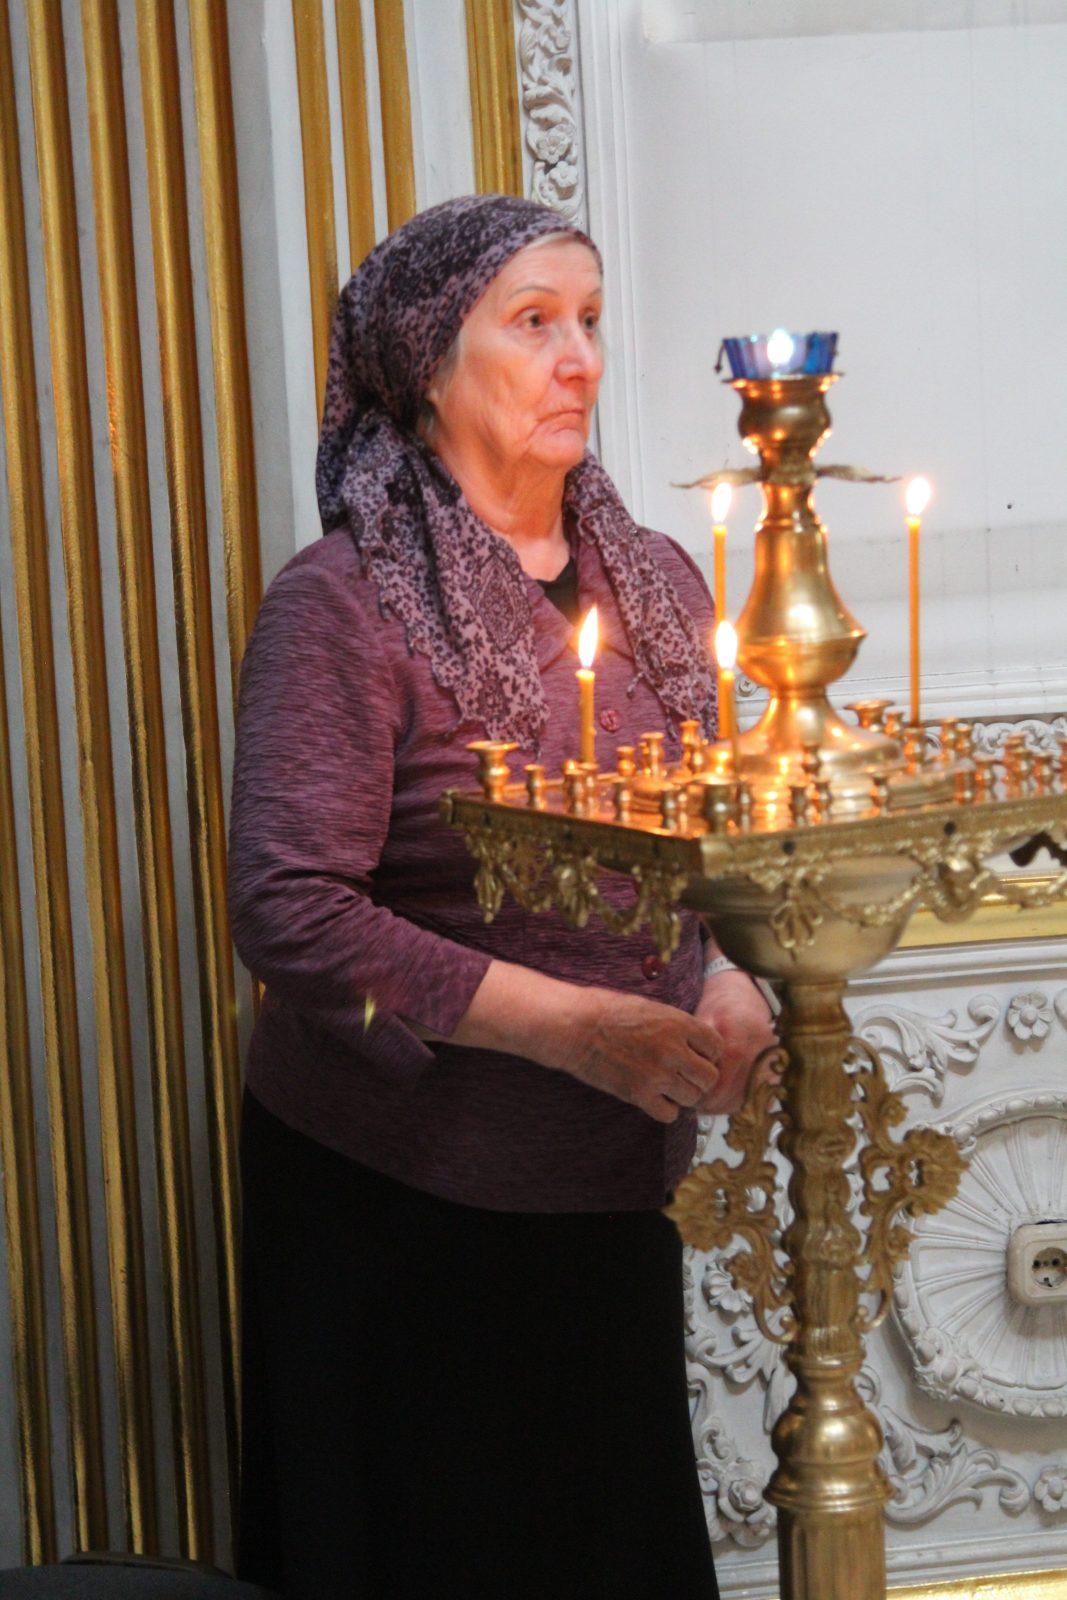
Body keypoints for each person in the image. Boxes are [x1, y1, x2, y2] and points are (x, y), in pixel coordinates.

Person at [228, 194, 775, 1600]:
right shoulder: (343, 601)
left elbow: (707, 844)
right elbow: (289, 908)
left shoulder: (656, 578)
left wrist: (726, 978)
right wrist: (570, 1029)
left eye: (587, 320)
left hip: (606, 1185)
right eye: (533, 324)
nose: (578, 357)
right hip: (403, 1210)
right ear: (426, 363)